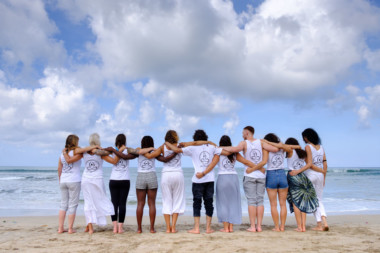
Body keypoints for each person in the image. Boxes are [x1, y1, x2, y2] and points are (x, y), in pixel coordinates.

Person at [166, 129, 228, 234]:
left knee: (197, 203)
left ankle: (197, 228)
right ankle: (208, 228)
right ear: (205, 138)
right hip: (210, 179)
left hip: (197, 180)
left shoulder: (192, 148)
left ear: (195, 138)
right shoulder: (212, 147)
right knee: (209, 203)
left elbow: (176, 150)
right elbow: (225, 152)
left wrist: (167, 143)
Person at [222, 126, 278, 232]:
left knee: (251, 201)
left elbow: (234, 150)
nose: (242, 135)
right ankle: (259, 226)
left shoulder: (244, 143)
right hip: (261, 175)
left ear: (247, 133)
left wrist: (220, 148)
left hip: (249, 175)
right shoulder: (261, 143)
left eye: (243, 133)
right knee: (260, 201)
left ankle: (253, 226)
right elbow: (275, 149)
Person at [196, 135, 256, 233]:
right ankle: (231, 227)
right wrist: (258, 166)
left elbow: (212, 165)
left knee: (223, 203)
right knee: (233, 203)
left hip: (222, 178)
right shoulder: (234, 153)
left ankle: (225, 228)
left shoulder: (218, 152)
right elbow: (245, 162)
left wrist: (203, 173)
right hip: (233, 178)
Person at [125, 136, 176, 233]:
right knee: (152, 203)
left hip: (141, 176)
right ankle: (152, 228)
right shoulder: (154, 153)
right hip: (152, 176)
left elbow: (128, 154)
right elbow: (164, 159)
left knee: (140, 203)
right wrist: (174, 153)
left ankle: (139, 228)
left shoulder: (138, 151)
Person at [140, 130, 185, 233]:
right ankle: (173, 227)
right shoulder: (179, 146)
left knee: (167, 201)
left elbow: (151, 156)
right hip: (178, 174)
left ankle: (168, 228)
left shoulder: (162, 147)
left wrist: (142, 151)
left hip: (166, 175)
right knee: (177, 201)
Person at [75, 133, 115, 234]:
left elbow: (76, 153)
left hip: (86, 179)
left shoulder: (84, 152)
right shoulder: (100, 153)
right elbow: (113, 161)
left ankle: (90, 227)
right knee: (100, 200)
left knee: (88, 203)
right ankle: (91, 225)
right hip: (97, 179)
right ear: (98, 142)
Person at [57, 134, 97, 234]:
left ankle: (60, 228)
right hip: (74, 180)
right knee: (73, 205)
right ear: (75, 142)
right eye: (77, 142)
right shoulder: (77, 153)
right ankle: (70, 229)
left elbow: (59, 168)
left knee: (63, 205)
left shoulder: (62, 154)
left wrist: (60, 179)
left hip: (63, 181)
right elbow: (74, 158)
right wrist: (95, 147)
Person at [103, 134, 138, 234]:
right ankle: (120, 228)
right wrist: (121, 150)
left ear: (116, 141)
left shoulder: (111, 151)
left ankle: (114, 227)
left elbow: (113, 159)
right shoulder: (126, 150)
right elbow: (133, 156)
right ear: (125, 141)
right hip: (124, 180)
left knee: (114, 203)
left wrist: (116, 151)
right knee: (122, 204)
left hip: (113, 180)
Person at [283, 138, 319, 232]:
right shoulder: (302, 153)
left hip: (292, 175)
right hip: (302, 176)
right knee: (303, 201)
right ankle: (303, 226)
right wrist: (299, 171)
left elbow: (283, 146)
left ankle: (299, 226)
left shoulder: (290, 151)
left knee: (295, 201)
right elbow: (309, 164)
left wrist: (295, 172)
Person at [301, 128, 329, 231]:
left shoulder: (308, 147)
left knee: (313, 200)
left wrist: (321, 171)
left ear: (306, 137)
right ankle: (324, 222)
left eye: (304, 137)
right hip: (320, 176)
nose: (303, 139)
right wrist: (323, 175)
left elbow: (310, 165)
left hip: (311, 175)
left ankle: (319, 224)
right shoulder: (321, 148)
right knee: (319, 200)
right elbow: (325, 163)